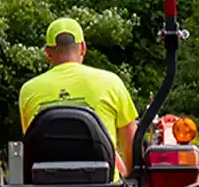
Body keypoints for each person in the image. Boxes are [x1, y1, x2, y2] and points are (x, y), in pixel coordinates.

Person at [19, 17, 139, 171]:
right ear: (83, 48)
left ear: (48, 53)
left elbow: (31, 144)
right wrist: (128, 178)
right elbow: (131, 145)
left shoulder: (29, 90)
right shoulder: (112, 83)